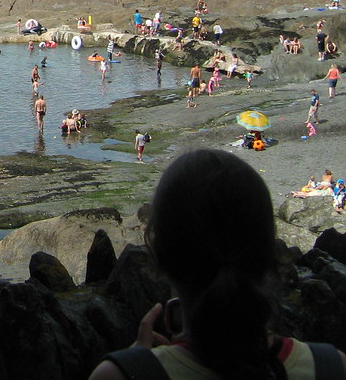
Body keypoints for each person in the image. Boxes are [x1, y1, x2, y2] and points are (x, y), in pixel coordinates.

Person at [90, 149, 346, 380]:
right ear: (269, 252)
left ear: (160, 256)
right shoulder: (331, 366)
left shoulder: (119, 375)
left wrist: (135, 364)